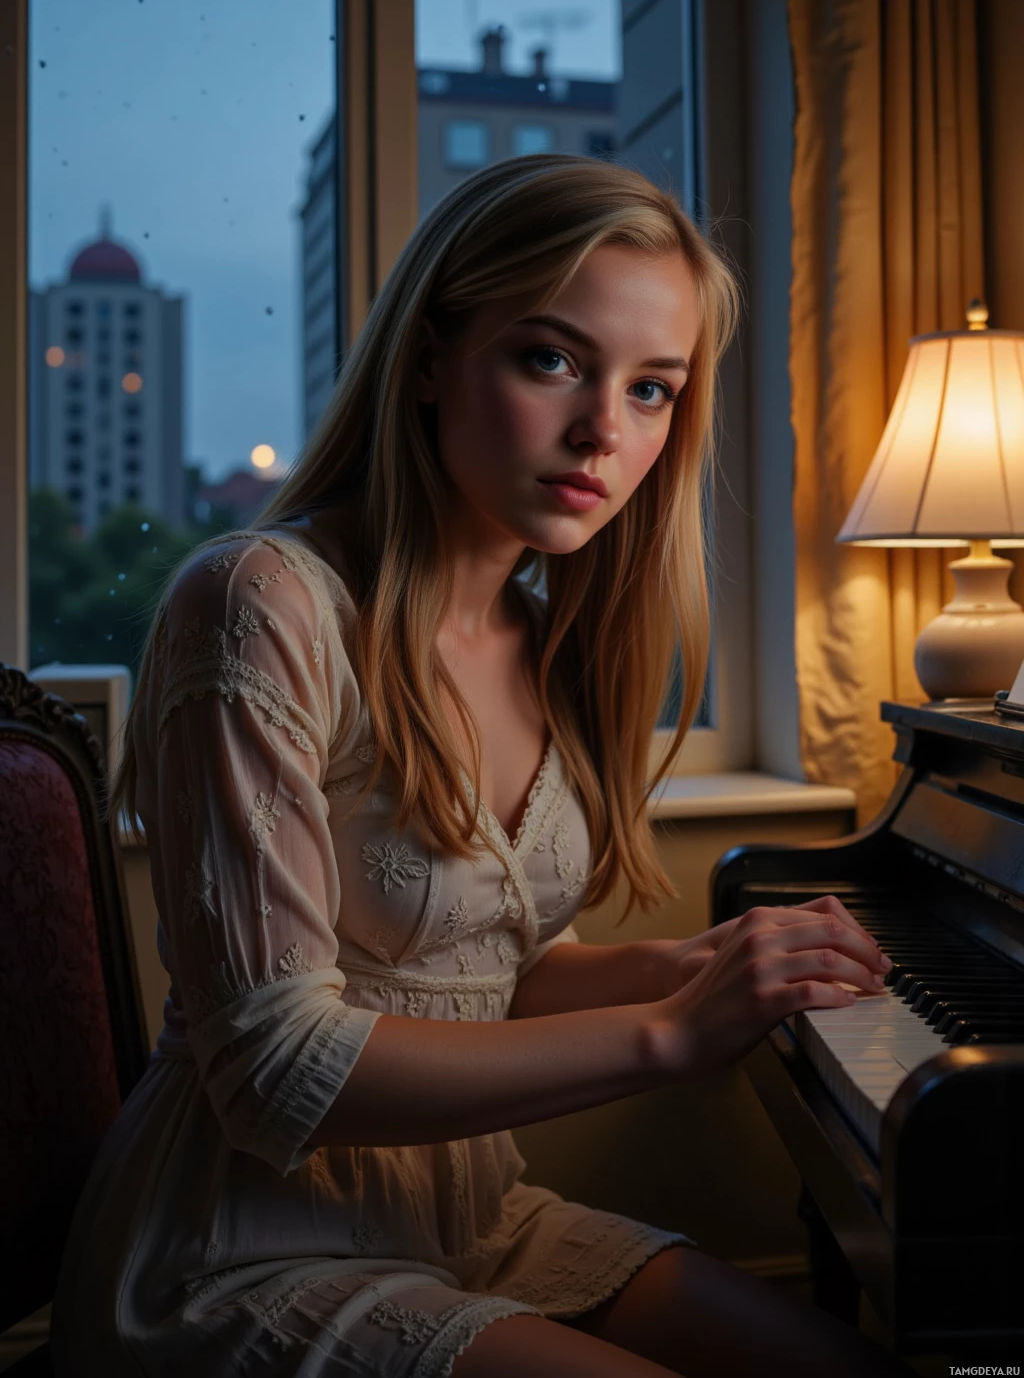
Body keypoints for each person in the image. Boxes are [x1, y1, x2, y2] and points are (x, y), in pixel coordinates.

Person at [51, 153, 911, 1378]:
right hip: (236, 1250)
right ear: (426, 359)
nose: (603, 431)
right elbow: (272, 1067)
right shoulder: (259, 603)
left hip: (468, 1224)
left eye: (652, 389)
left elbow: (483, 967)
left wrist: (700, 962)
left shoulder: (548, 634)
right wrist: (671, 1030)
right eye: (551, 360)